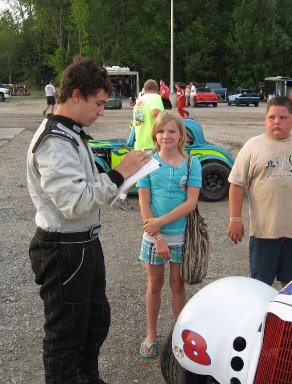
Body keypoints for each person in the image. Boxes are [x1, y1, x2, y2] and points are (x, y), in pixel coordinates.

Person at [27, 56, 152, 384]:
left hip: (82, 243)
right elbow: (75, 203)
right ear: (76, 95)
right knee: (65, 334)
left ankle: (88, 378)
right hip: (63, 247)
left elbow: (88, 189)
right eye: (98, 104)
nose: (102, 111)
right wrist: (118, 174)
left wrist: (124, 179)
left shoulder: (71, 132)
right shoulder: (54, 142)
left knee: (95, 322)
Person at [227, 96, 292, 287]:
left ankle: (288, 318)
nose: (277, 122)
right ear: (265, 119)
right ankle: (262, 318)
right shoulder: (252, 146)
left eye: (283, 117)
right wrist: (235, 219)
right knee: (260, 286)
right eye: (271, 117)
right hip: (264, 232)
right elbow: (237, 184)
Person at [136, 111, 201, 358]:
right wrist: (157, 236)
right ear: (155, 134)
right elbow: (144, 203)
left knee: (177, 284)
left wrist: (160, 224)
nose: (166, 135)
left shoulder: (191, 163)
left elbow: (191, 203)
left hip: (180, 236)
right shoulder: (147, 162)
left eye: (172, 131)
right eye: (162, 131)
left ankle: (180, 333)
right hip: (154, 236)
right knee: (154, 284)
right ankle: (151, 333)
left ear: (180, 134)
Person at [114, 79, 164, 211]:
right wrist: (168, 121)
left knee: (140, 172)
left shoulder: (139, 101)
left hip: (140, 140)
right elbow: (156, 113)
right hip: (152, 141)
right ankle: (123, 197)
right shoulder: (155, 97)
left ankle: (122, 196)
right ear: (156, 89)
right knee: (149, 171)